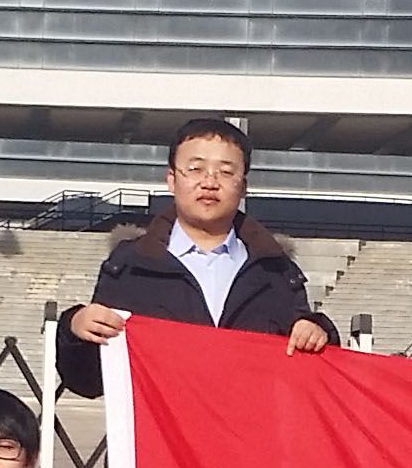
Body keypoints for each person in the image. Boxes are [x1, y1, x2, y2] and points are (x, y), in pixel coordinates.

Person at [56, 117, 338, 395]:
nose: (209, 182)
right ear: (172, 180)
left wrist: (319, 331)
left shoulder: (276, 272)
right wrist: (74, 329)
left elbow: (311, 375)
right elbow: (89, 382)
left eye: (225, 172)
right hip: (161, 425)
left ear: (243, 186)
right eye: (195, 169)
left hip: (250, 422)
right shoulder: (130, 266)